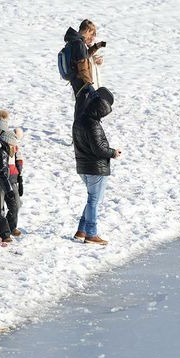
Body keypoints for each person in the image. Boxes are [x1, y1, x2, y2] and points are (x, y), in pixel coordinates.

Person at [73, 85, 121, 245]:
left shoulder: (79, 120)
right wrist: (113, 152)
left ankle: (82, 230)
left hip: (83, 166)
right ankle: (91, 234)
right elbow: (99, 149)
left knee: (92, 199)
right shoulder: (93, 125)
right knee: (94, 200)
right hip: (95, 167)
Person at [63, 20, 106, 97]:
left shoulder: (73, 41)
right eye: (91, 33)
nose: (92, 37)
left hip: (76, 81)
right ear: (87, 30)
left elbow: (83, 56)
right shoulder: (79, 44)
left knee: (81, 106)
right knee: (84, 106)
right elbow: (82, 65)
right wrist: (89, 84)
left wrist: (95, 47)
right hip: (82, 83)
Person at [6, 127, 25, 237]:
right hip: (0, 180)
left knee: (17, 204)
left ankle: (12, 226)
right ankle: (2, 229)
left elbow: (19, 159)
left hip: (13, 178)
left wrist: (19, 175)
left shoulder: (14, 147)